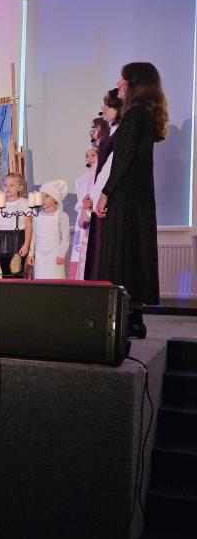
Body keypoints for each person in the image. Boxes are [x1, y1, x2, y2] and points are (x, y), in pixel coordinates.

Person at [95, 62, 168, 338]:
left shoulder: (134, 115)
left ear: (135, 84)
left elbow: (122, 160)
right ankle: (134, 320)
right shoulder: (143, 115)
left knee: (122, 254)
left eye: (123, 79)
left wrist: (106, 192)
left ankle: (126, 320)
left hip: (126, 198)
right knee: (134, 253)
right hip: (137, 198)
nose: (118, 84)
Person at [83, 89, 123, 281]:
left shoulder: (119, 134)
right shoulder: (112, 134)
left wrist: (99, 196)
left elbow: (110, 170)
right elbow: (101, 173)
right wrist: (91, 197)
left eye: (107, 105)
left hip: (105, 204)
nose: (103, 108)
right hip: (99, 201)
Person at [69, 125, 104, 280]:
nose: (89, 157)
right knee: (78, 254)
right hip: (82, 219)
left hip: (95, 217)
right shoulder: (80, 180)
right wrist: (83, 209)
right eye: (87, 155)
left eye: (93, 155)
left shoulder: (101, 176)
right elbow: (79, 202)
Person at [29, 180, 71, 280]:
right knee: (41, 281)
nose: (43, 199)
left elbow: (65, 238)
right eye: (41, 196)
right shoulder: (37, 216)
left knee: (55, 281)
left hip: (54, 257)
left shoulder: (61, 216)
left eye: (47, 196)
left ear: (55, 199)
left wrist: (61, 254)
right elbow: (33, 236)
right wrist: (31, 254)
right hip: (40, 258)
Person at [0, 172, 33, 279]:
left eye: (12, 185)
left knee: (17, 272)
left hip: (18, 238)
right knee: (5, 272)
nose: (8, 188)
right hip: (3, 239)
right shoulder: (0, 204)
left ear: (20, 187)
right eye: (6, 185)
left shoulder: (25, 203)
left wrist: (26, 245)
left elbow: (28, 225)